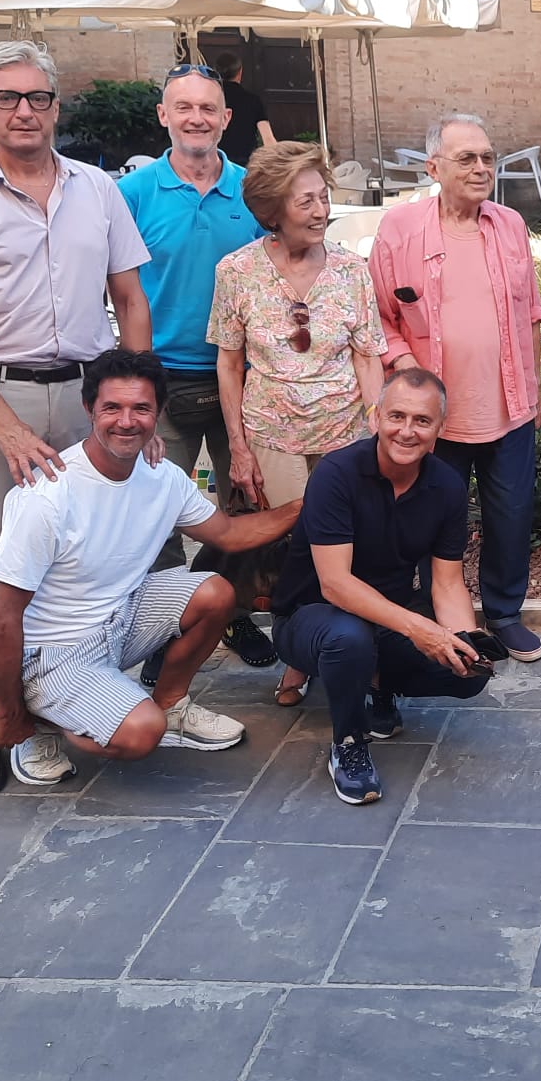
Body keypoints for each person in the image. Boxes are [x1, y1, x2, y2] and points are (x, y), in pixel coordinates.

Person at [0, 40, 153, 798]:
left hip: (86, 393)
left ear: (56, 106)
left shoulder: (98, 189)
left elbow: (130, 299)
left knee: (90, 552)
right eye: (7, 97)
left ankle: (68, 697)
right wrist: (5, 426)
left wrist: (137, 403)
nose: (24, 110)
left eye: (38, 97)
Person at [0, 350, 300, 786]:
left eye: (141, 408)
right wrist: (8, 714)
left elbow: (228, 534)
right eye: (112, 407)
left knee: (215, 593)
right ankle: (39, 725)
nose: (127, 421)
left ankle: (171, 704)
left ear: (159, 412)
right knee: (142, 732)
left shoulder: (161, 475)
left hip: (120, 619)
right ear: (90, 409)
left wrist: (306, 505)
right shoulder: (48, 494)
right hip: (54, 652)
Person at [269, 368, 494, 803]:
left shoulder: (447, 486)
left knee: (468, 675)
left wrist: (464, 642)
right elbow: (335, 585)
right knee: (348, 637)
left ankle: (376, 683)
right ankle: (349, 744)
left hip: (387, 617)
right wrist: (419, 628)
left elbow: (447, 584)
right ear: (376, 417)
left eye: (422, 421)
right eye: (397, 416)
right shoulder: (337, 473)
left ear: (440, 428)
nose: (407, 431)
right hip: (309, 618)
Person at [370, 113, 541, 663]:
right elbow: (378, 316)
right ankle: (438, 617)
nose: (480, 168)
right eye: (466, 158)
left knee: (511, 515)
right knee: (433, 519)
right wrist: (407, 368)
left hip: (509, 406)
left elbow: (531, 313)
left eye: (487, 158)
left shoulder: (509, 225)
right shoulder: (400, 228)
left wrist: (535, 389)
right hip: (433, 418)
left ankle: (505, 612)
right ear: (434, 167)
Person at [210, 143, 386, 689]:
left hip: (345, 434)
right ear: (272, 209)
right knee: (293, 549)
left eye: (323, 197)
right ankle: (299, 651)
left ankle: (344, 650)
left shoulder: (352, 270)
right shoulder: (236, 271)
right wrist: (238, 447)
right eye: (305, 201)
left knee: (346, 545)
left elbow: (367, 355)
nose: (320, 210)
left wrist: (376, 424)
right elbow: (229, 363)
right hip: (272, 435)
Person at [119, 62, 271, 663]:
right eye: (183, 107)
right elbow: (114, 286)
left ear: (226, 119)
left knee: (247, 503)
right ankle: (163, 625)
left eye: (208, 108)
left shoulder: (252, 192)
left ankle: (232, 611)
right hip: (160, 378)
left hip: (246, 378)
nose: (196, 118)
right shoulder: (132, 194)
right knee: (156, 510)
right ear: (164, 115)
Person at [212, 51, 274, 166]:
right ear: (240, 72)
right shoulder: (253, 100)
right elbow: (268, 140)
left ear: (215, 73)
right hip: (245, 166)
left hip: (214, 165)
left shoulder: (208, 99)